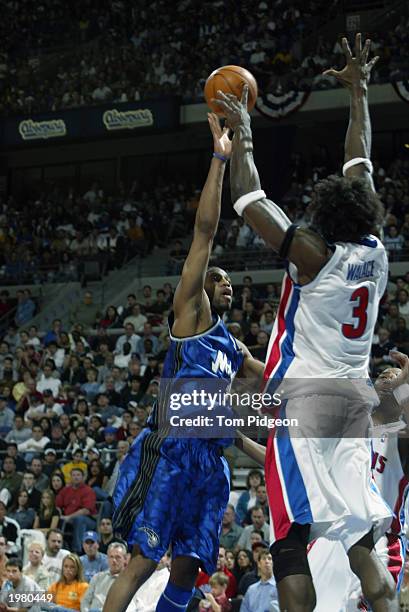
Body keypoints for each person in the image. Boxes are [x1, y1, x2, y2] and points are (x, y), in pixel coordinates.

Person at [217, 33, 397, 611]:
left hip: (302, 402)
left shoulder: (313, 255)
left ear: (322, 219)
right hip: (354, 403)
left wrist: (241, 130)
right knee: (359, 541)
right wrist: (360, 90)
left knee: (291, 541)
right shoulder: (377, 250)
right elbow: (360, 160)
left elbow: (248, 198)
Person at [103, 114, 263, 612]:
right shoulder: (190, 315)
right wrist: (220, 158)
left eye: (229, 283)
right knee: (143, 562)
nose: (227, 284)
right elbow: (205, 231)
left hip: (210, 463)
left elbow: (275, 371)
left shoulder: (231, 347)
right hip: (172, 451)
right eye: (219, 279)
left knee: (191, 566)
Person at [56, 468, 97, 554]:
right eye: (74, 475)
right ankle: (58, 548)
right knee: (57, 518)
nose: (76, 477)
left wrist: (69, 517)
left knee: (79, 519)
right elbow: (57, 506)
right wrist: (59, 514)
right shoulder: (65, 490)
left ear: (83, 477)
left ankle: (77, 551)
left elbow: (86, 511)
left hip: (88, 520)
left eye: (78, 475)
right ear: (70, 477)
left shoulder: (88, 490)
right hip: (68, 518)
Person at [80, 542, 128, 612]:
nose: (114, 560)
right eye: (111, 557)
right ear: (107, 558)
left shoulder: (128, 581)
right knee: (58, 609)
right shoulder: (97, 577)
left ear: (125, 559)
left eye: (118, 557)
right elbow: (85, 601)